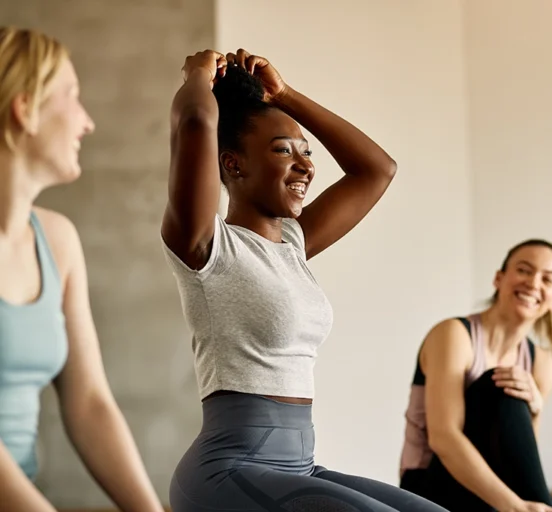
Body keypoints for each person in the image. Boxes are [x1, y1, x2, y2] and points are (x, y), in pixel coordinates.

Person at [161, 48, 446, 511]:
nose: (306, 166)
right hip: (230, 470)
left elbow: (377, 170)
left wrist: (286, 95)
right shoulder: (207, 247)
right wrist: (197, 74)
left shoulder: (293, 245)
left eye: (305, 152)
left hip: (300, 467)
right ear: (233, 165)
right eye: (283, 151)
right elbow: (195, 121)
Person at [0, 27, 164, 512]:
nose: (87, 122)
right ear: (24, 108)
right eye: (72, 96)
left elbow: (89, 403)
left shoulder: (58, 241)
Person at [399, 240, 552, 512]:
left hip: (499, 494)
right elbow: (444, 438)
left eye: (548, 279)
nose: (534, 283)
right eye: (524, 270)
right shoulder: (454, 334)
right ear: (499, 278)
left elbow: (521, 457)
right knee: (500, 383)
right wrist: (515, 507)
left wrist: (536, 409)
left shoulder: (541, 362)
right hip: (430, 490)